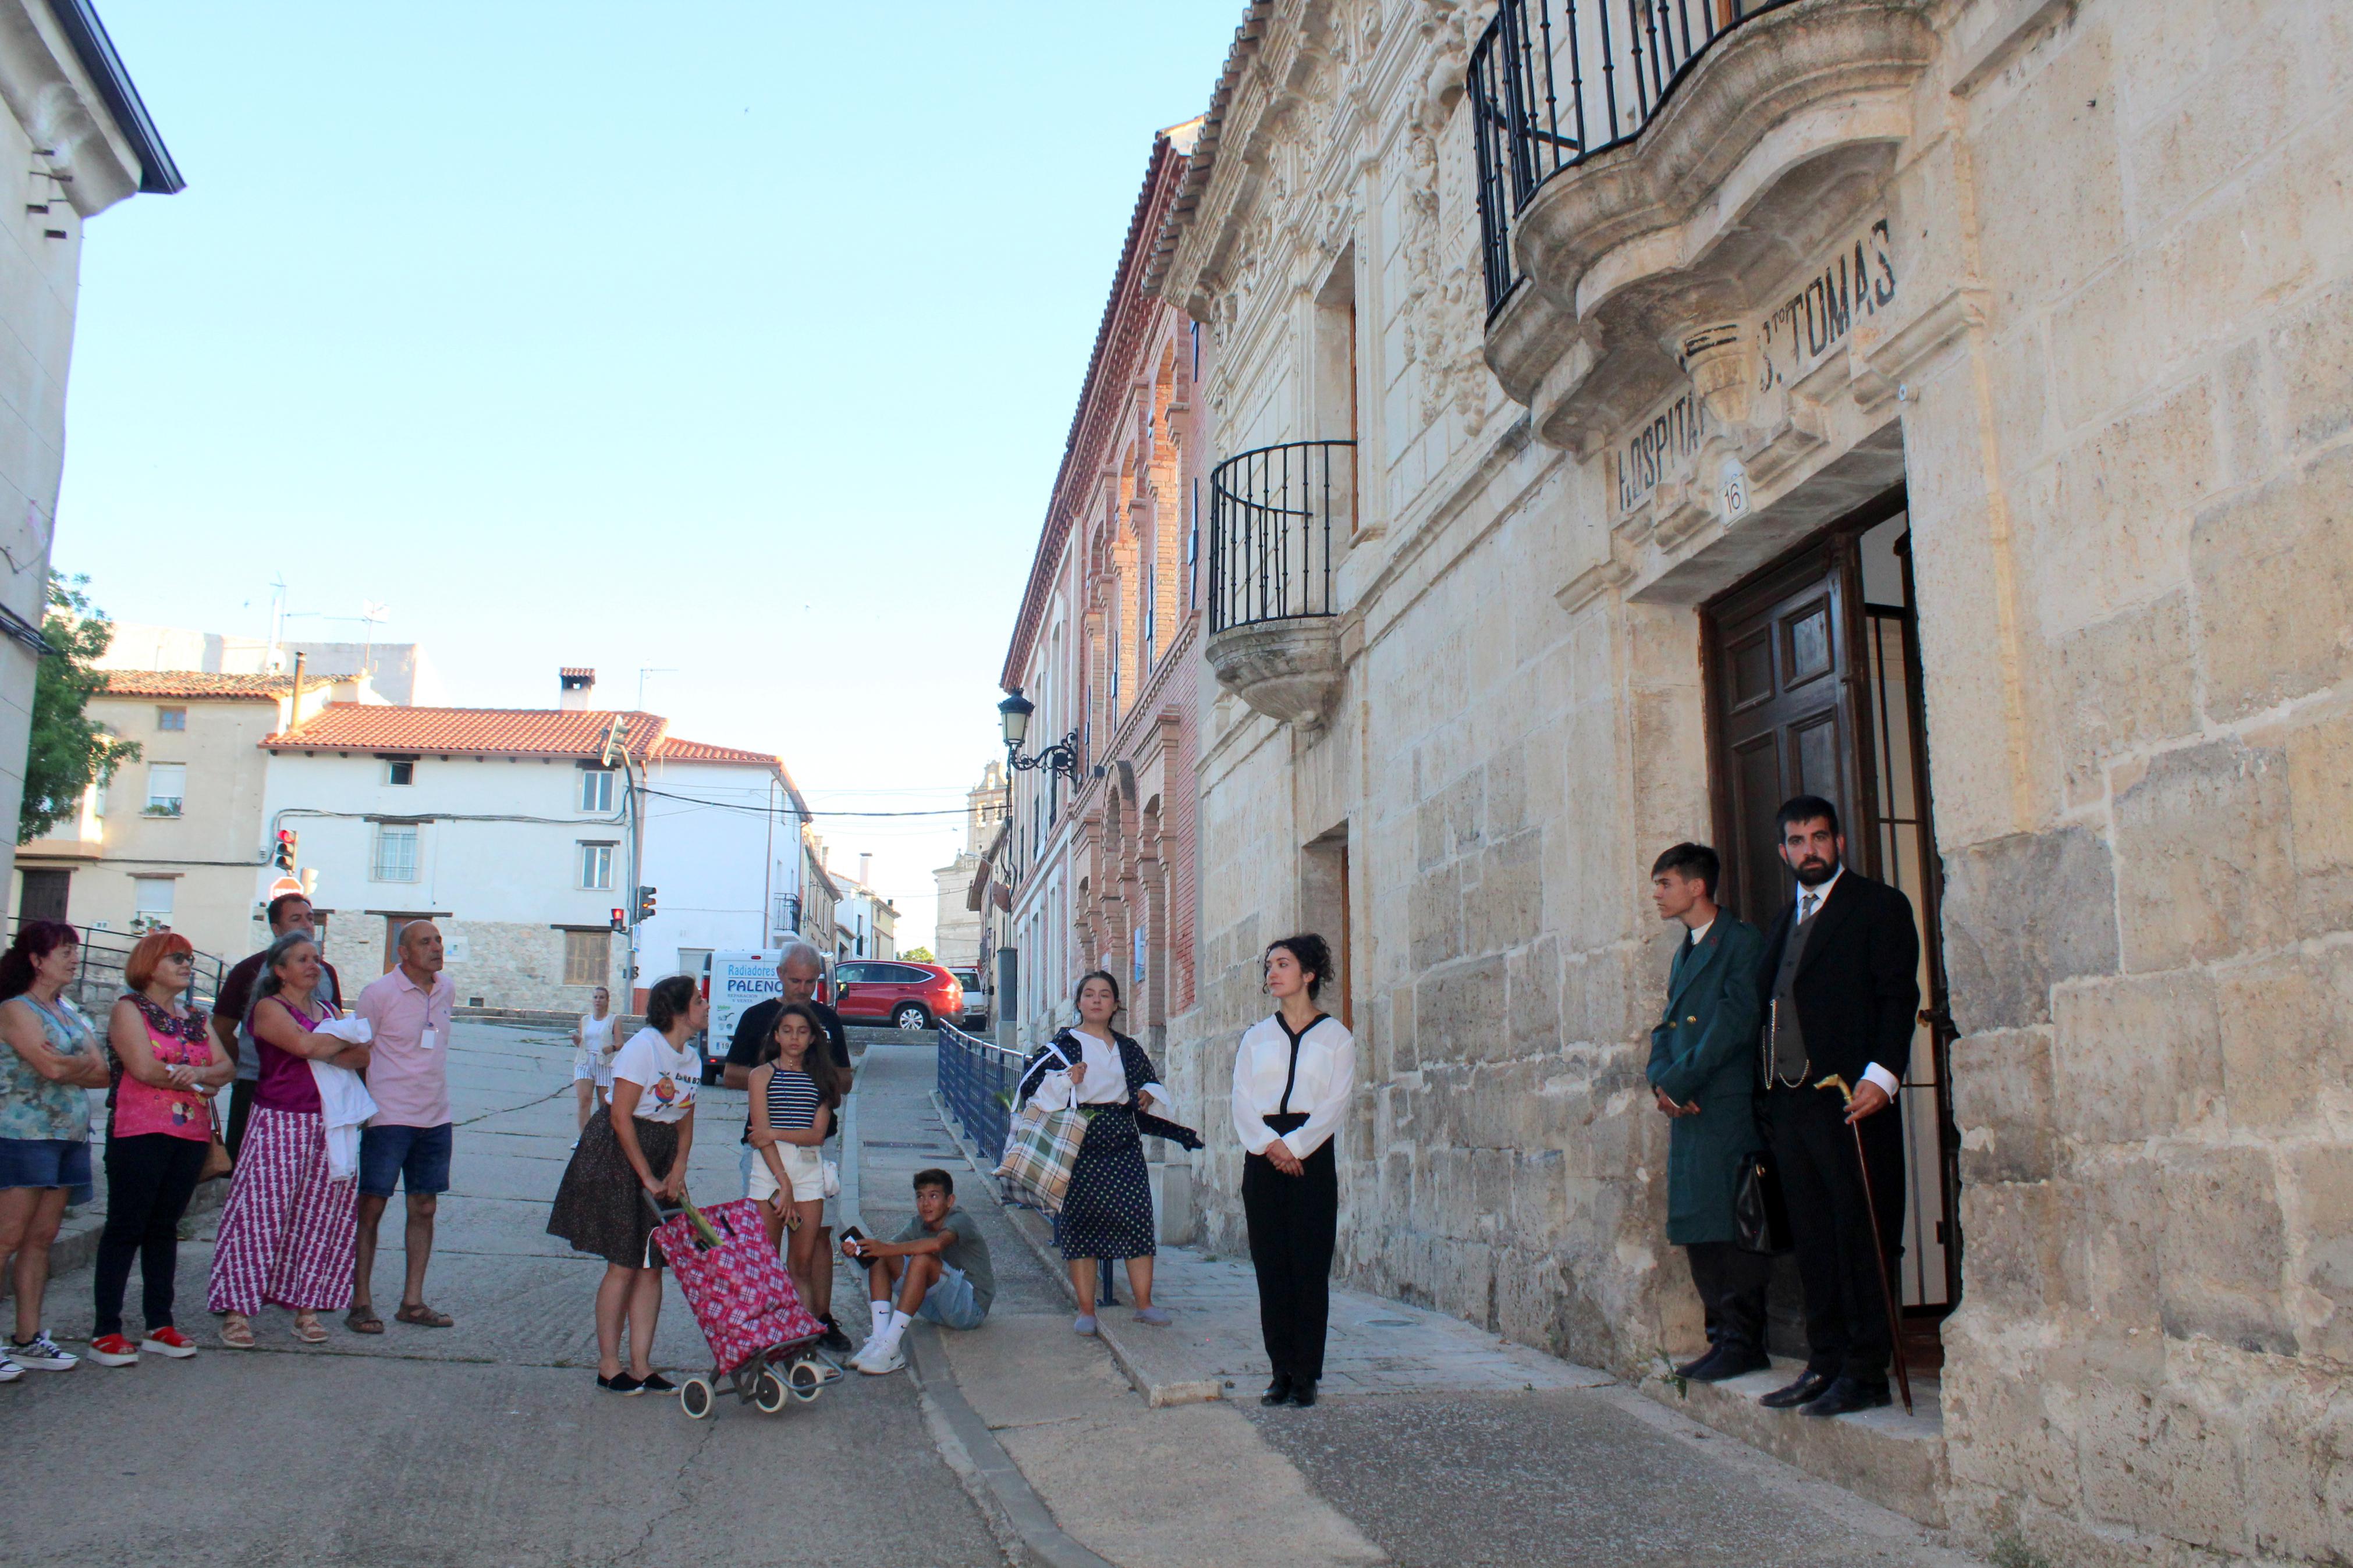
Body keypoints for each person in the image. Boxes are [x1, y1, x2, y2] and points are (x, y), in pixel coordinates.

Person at [1751, 796, 1919, 1419]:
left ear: (1839, 841)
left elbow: (1897, 995)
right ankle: (1823, 1361)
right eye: (1796, 841)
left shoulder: (1877, 906)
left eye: (1819, 838)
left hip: (1853, 1101)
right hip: (1791, 1104)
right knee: (1814, 1239)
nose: (1809, 850)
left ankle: (1864, 1370)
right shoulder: (1781, 920)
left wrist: (1883, 1075)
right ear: (1782, 852)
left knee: (1861, 1235)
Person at [205, 931, 371, 1348]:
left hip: (327, 1123)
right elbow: (300, 1043)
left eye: (316, 958)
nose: (314, 965)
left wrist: (325, 1046)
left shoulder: (328, 1008)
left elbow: (363, 1053)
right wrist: (337, 1041)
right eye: (302, 959)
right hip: (278, 1122)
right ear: (279, 970)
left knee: (319, 1218)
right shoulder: (267, 1008)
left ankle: (307, 1308)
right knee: (258, 1216)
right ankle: (238, 1310)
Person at [1644, 843, 1770, 1384]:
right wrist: (1661, 1080)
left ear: (1696, 886)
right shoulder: (1683, 951)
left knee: (1730, 1224)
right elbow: (1666, 1028)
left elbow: (1735, 1023)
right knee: (1698, 1225)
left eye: (1665, 883)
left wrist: (1682, 1080)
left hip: (1722, 1104)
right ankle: (1719, 1335)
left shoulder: (1740, 942)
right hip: (1688, 1106)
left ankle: (1744, 1341)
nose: (1657, 894)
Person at [1018, 970, 1198, 1336]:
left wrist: (1146, 1093)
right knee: (1082, 1224)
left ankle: (1144, 1305)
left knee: (1136, 1221)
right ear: (1080, 1003)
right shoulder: (1062, 1046)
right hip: (1080, 1143)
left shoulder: (1127, 1047)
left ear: (1116, 1004)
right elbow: (1031, 1090)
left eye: (1104, 995)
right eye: (1089, 994)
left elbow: (1149, 1080)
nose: (1097, 1000)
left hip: (1123, 1141)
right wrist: (1068, 1079)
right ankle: (1086, 1310)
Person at [546, 973, 700, 1395]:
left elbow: (685, 1116)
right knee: (623, 1263)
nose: (705, 1006)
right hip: (621, 1150)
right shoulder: (642, 1048)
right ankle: (609, 1364)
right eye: (698, 1000)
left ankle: (641, 1365)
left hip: (661, 1150)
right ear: (678, 1010)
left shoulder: (689, 1057)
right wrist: (645, 1176)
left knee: (652, 1266)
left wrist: (678, 1170)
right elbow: (619, 1115)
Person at [87, 931, 233, 1367]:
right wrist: (194, 1074)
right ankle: (106, 1329)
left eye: (189, 957)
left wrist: (191, 1070)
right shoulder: (128, 1010)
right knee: (126, 1225)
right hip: (138, 1132)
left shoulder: (196, 1017)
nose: (188, 964)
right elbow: (143, 1067)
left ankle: (159, 1322)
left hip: (189, 1135)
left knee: (164, 1226)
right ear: (150, 964)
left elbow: (226, 1067)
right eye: (178, 958)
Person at [1231, 934, 1355, 1409]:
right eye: (1268, 965)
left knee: (1308, 1264)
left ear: (1308, 974)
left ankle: (1306, 1372)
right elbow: (1241, 1099)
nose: (1272, 973)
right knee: (1271, 1266)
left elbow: (1334, 1103)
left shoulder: (1336, 1037)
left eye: (1282, 964)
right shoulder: (1255, 1037)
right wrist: (1270, 1145)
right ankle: (1279, 1369)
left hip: (1312, 1153)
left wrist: (1297, 1146)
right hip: (1262, 1154)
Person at [722, 940, 853, 1350]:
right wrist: (779, 1074)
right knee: (763, 1242)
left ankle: (820, 1319)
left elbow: (845, 1079)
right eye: (795, 980)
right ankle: (766, 1327)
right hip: (764, 1148)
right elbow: (729, 1073)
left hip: (815, 1150)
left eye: (810, 981)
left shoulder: (828, 1019)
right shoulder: (756, 1017)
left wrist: (816, 1074)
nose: (802, 989)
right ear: (780, 975)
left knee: (818, 1237)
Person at [0, 921, 108, 1377]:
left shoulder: (68, 1010)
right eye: (64, 950)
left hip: (67, 1136)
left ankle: (28, 1337)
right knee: (6, 1237)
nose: (73, 957)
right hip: (23, 1135)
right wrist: (71, 1064)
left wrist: (71, 1065)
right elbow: (49, 1066)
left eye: (74, 949)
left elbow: (102, 1073)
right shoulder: (14, 1008)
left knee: (41, 1239)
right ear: (36, 959)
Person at [349, 920, 457, 1335]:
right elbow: (358, 1052)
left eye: (438, 940)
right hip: (388, 1116)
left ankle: (412, 1301)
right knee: (371, 1207)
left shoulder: (445, 988)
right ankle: (361, 1301)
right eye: (424, 942)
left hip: (435, 1116)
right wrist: (364, 1109)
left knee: (424, 1206)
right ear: (403, 953)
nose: (435, 947)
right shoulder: (378, 995)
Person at [214, 895, 342, 1160]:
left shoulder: (326, 972)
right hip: (257, 1087)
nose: (307, 925)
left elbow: (343, 1031)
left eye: (310, 918)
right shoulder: (248, 970)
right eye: (296, 919)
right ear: (276, 928)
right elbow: (221, 1029)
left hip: (319, 1087)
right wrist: (246, 1062)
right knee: (252, 1167)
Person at [843, 1167, 994, 1375]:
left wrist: (886, 1248)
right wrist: (862, 1250)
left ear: (950, 1201)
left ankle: (892, 1346)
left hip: (970, 1308)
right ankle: (879, 1339)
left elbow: (938, 1245)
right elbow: (890, 1248)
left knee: (922, 1258)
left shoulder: (959, 1219)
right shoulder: (919, 1224)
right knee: (882, 1257)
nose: (926, 1204)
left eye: (934, 1196)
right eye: (920, 1197)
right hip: (937, 1308)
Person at [746, 1001, 842, 1314]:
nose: (794, 1038)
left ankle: (802, 1339)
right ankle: (765, 1339)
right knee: (767, 1264)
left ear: (813, 1038)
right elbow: (760, 1136)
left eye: (802, 1032)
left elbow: (816, 1135)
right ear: (776, 1035)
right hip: (769, 1172)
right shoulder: (761, 1075)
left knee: (801, 1266)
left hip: (809, 1169)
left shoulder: (823, 1079)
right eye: (787, 1031)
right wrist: (783, 1183)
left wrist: (773, 1133)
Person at [571, 986, 619, 1135]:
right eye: (595, 997)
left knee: (604, 1104)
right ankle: (584, 1139)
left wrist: (612, 1047)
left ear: (607, 1001)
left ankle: (603, 1138)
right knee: (584, 1100)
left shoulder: (614, 1020)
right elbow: (582, 1043)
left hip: (603, 1063)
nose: (598, 1000)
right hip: (585, 1061)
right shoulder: (585, 1020)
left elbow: (620, 1043)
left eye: (601, 997)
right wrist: (576, 1040)